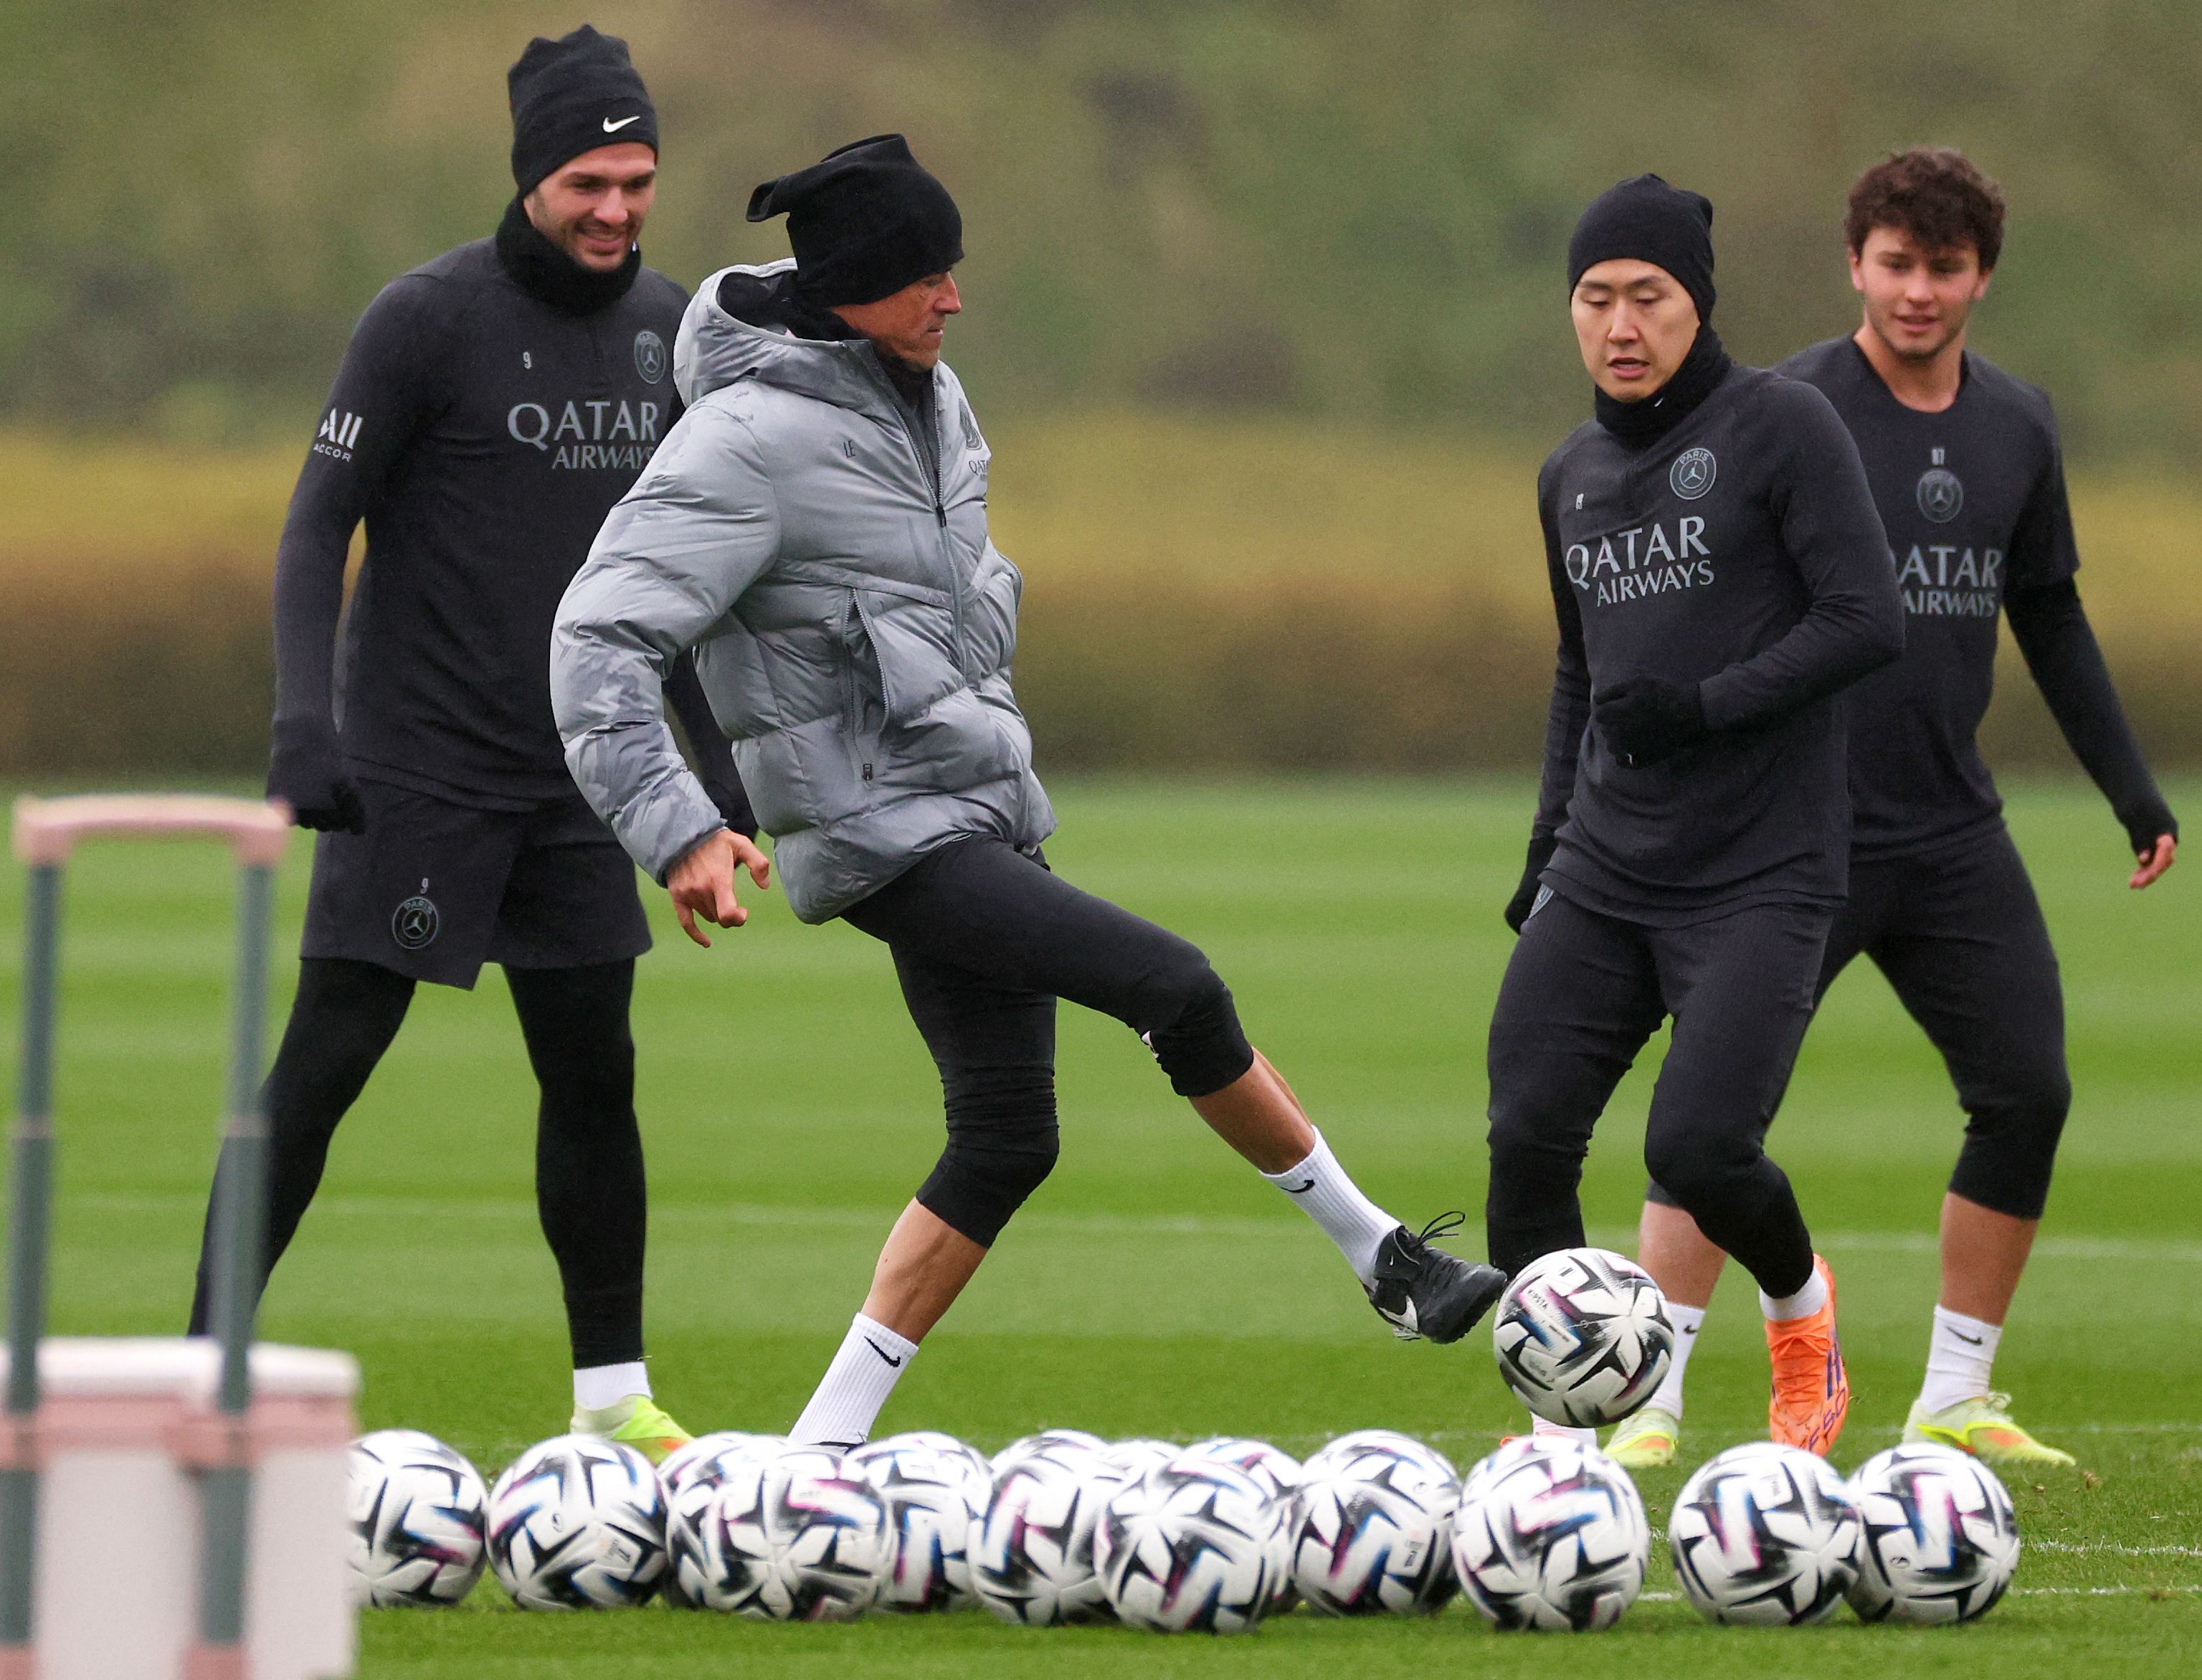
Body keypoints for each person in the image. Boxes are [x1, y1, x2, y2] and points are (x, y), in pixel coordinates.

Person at [552, 134, 1506, 1449]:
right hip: (884, 838)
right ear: (851, 289)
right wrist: (678, 829)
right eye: (926, 277)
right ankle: (1383, 1260)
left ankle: (816, 1453)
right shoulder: (742, 443)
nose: (953, 298)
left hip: (977, 812)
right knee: (1176, 988)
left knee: (1006, 1139)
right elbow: (597, 637)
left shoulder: (932, 398)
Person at [186, 26, 754, 1462]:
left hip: (585, 780)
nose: (617, 208)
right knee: (321, 1069)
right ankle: (201, 1373)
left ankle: (613, 1395)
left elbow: (681, 583)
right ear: (530, 177)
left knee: (594, 1076)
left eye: (637, 179)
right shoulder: (424, 321)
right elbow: (318, 524)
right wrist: (301, 724)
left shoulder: (672, 331)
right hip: (418, 772)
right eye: (588, 181)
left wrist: (710, 785)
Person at [1603, 150, 2178, 1473]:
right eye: (1895, 263)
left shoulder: (2016, 426)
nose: (1918, 291)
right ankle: (1651, 1398)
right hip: (1786, 834)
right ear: (1853, 263)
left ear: (1981, 274)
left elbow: (2049, 612)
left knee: (2025, 1089)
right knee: (1709, 1120)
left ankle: (1953, 1397)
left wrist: (2128, 787)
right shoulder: (1783, 410)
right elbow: (1687, 593)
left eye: (1945, 267)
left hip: (1948, 830)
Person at [1486, 175, 1906, 1456]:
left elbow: (1867, 619)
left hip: (1761, 872)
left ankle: (1799, 1311)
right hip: (1608, 866)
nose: (1620, 323)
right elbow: (1583, 677)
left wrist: (1711, 704)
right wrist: (1546, 839)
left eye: (1647, 297)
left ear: (1695, 303)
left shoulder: (1779, 424)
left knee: (1703, 1145)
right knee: (1526, 1130)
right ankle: (1561, 1437)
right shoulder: (1568, 472)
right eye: (1594, 298)